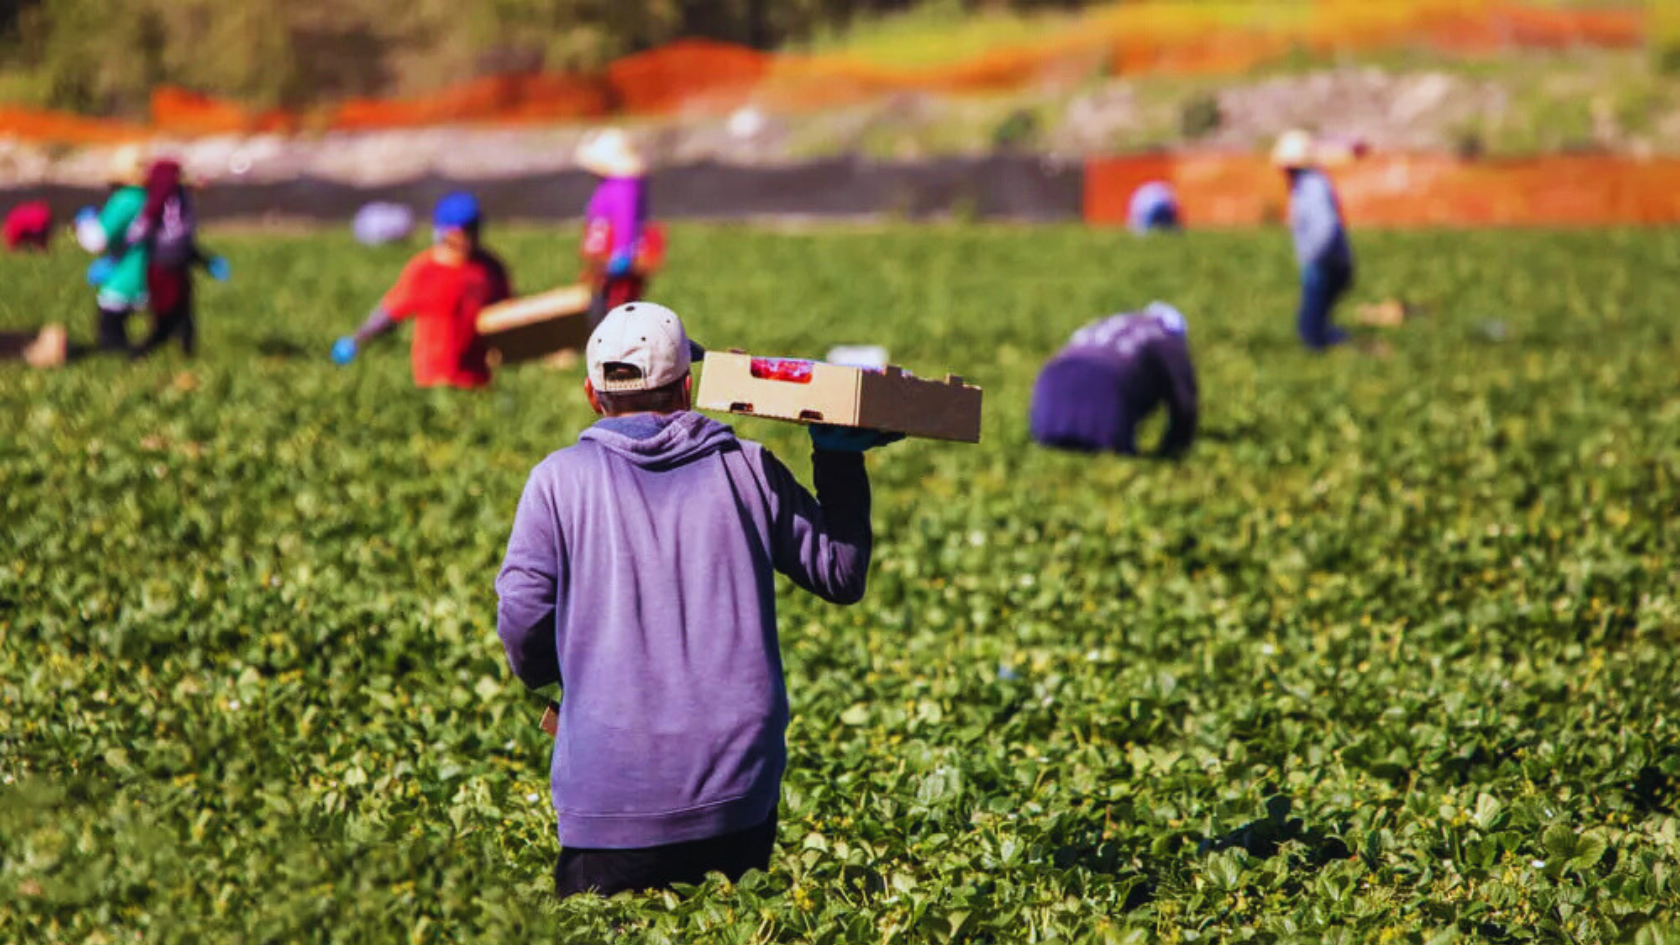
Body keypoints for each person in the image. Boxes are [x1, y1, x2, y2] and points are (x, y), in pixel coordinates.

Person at [495, 302, 898, 898]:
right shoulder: (749, 469)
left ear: (591, 394)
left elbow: (522, 618)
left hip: (609, 801)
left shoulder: (557, 480)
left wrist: (566, 683)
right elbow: (840, 573)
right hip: (736, 798)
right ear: (687, 387)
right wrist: (838, 458)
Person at [332, 192, 511, 389]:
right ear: (444, 233)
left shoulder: (490, 268)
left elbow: (507, 313)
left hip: (478, 379)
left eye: (474, 230)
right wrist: (358, 340)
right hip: (434, 379)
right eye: (463, 232)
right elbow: (389, 313)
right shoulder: (424, 270)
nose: (469, 239)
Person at [1029, 302, 1198, 458]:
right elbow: (1183, 400)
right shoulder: (1167, 337)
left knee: (1055, 451)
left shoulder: (1105, 323)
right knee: (1107, 458)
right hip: (1106, 387)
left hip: (1050, 388)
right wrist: (1173, 450)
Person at [126, 159, 230, 359]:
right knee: (169, 316)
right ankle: (144, 352)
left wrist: (206, 261)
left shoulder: (172, 199)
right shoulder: (162, 202)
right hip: (165, 266)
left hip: (173, 264)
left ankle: (183, 353)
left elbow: (179, 237)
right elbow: (141, 233)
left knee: (182, 314)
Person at [1273, 130, 1354, 350]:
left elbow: (1325, 227)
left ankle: (1342, 346)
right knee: (1312, 327)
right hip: (1323, 261)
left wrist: (1313, 256)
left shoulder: (1312, 185)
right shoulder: (1305, 185)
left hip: (1324, 264)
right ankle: (1337, 344)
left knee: (1310, 331)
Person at [576, 129, 659, 325]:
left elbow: (626, 221)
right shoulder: (612, 185)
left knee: (614, 310)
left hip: (616, 263)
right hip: (604, 261)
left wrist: (622, 256)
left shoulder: (624, 187)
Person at [74, 145, 151, 354]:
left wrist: (84, 224)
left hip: (123, 278)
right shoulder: (151, 199)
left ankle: (121, 356)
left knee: (110, 334)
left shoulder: (125, 200)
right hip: (151, 275)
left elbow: (96, 239)